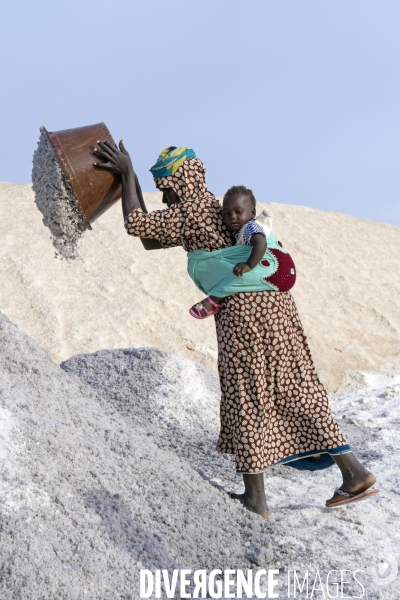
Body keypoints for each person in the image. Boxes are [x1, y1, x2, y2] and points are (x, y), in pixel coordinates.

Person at [93, 141, 378, 518]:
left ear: (178, 180)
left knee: (247, 393)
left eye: (163, 186)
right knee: (295, 385)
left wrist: (126, 173)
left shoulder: (190, 211)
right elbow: (151, 242)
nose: (161, 194)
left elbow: (137, 227)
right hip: (278, 310)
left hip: (243, 315)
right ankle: (354, 472)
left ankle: (256, 499)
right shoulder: (217, 206)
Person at [187, 184, 296, 319]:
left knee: (239, 277)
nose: (232, 216)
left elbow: (261, 243)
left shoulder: (250, 226)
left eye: (238, 212)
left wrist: (249, 264)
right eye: (227, 213)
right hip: (281, 272)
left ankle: (214, 300)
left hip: (278, 271)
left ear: (252, 213)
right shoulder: (238, 231)